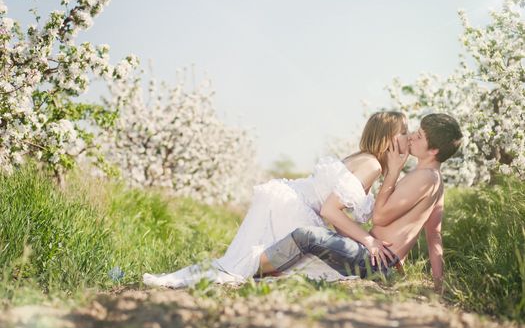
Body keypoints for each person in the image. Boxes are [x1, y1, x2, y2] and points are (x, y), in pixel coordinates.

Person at [143, 111, 408, 288]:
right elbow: (330, 210)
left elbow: (338, 216)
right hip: (294, 205)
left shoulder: (361, 158)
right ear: (388, 138)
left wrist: (356, 241)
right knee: (306, 270)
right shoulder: (372, 165)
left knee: (259, 264)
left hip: (286, 196)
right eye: (404, 132)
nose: (408, 137)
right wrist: (368, 240)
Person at [258, 113, 462, 292]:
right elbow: (434, 234)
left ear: (433, 150)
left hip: (374, 261)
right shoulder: (436, 180)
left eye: (419, 136)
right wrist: (439, 282)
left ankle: (254, 268)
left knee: (306, 236)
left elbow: (380, 217)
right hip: (379, 258)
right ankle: (267, 267)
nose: (411, 138)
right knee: (318, 234)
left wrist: (392, 172)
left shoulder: (424, 177)